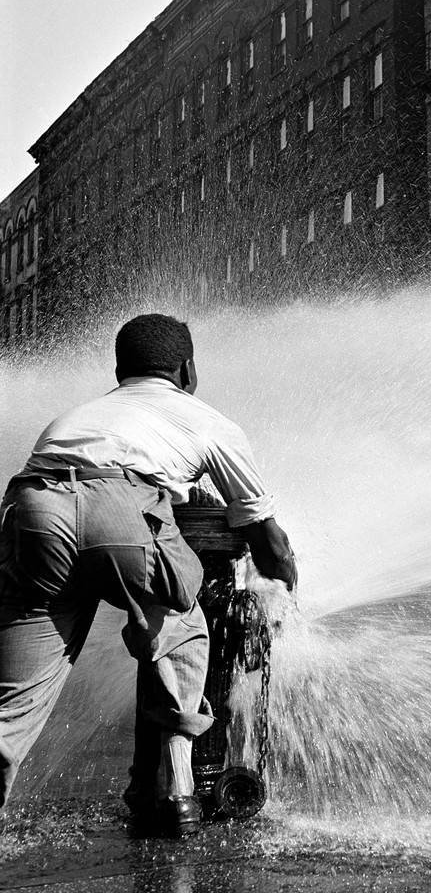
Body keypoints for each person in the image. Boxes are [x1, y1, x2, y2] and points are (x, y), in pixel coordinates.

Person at [0, 313, 298, 838]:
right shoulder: (206, 420)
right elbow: (267, 541)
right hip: (118, 509)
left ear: (119, 370)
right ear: (187, 371)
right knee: (183, 617)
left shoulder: (78, 417)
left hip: (34, 509)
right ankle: (177, 789)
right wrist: (290, 601)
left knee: (14, 701)